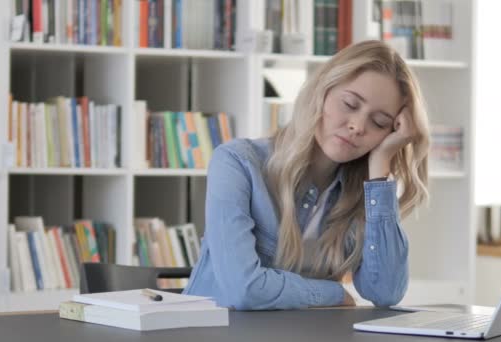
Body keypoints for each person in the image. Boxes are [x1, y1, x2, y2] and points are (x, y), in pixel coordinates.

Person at [183, 40, 430, 310]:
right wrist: (333, 294)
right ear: (321, 92)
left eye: (379, 122)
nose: (358, 126)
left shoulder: (362, 193)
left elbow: (385, 293)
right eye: (350, 104)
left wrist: (381, 169)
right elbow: (243, 289)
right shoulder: (237, 163)